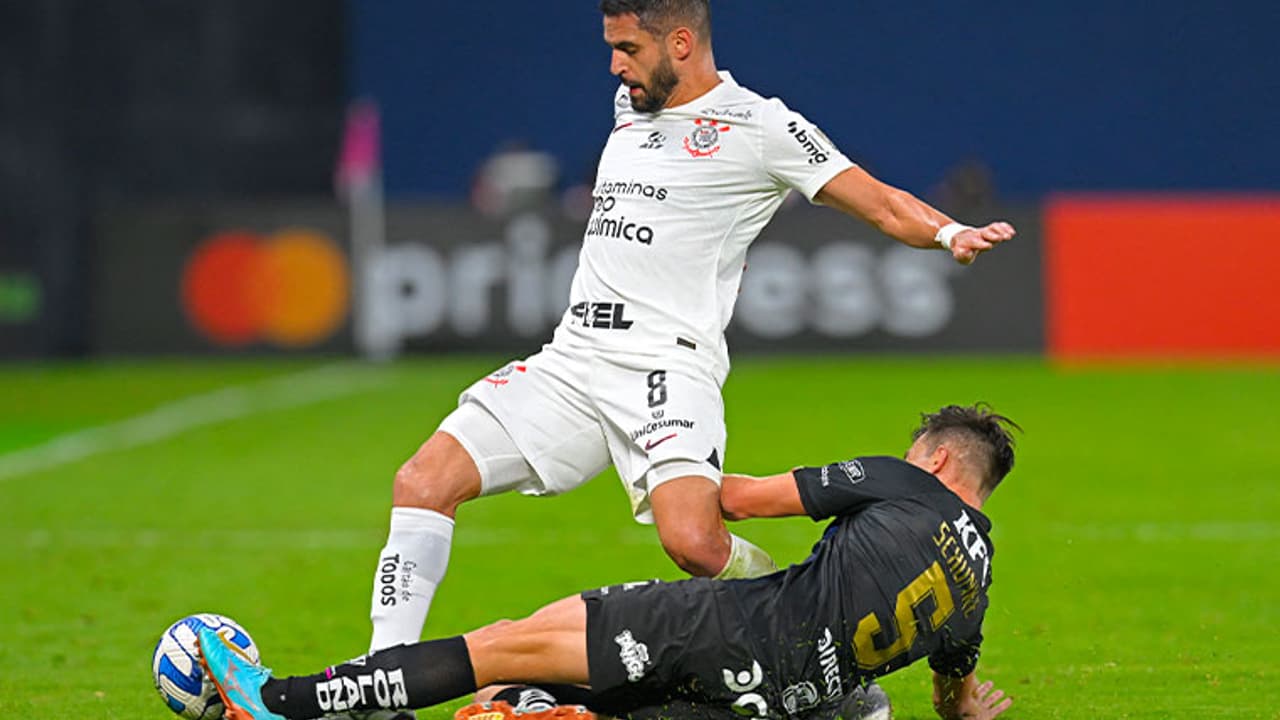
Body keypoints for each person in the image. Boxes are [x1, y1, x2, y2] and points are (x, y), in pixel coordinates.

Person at [362, 2, 1017, 715]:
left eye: (628, 47)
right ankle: (379, 687)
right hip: (574, 358)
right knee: (423, 481)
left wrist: (949, 231)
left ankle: (825, 673)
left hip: (666, 368)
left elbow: (881, 202)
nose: (616, 65)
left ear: (680, 41)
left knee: (695, 543)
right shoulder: (630, 103)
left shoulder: (761, 126)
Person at [199, 404, 1019, 720]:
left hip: (727, 629)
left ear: (939, 463)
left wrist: (657, 454)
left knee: (501, 643)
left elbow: (736, 497)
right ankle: (531, 711)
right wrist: (967, 712)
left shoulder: (906, 483)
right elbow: (952, 699)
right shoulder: (976, 588)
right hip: (774, 700)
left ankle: (274, 703)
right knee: (536, 684)